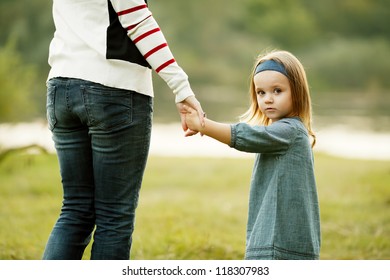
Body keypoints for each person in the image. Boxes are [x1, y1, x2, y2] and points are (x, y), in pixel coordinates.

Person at [43, 0, 204, 260]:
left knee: (75, 210)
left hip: (61, 86)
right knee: (114, 217)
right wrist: (181, 87)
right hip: (113, 88)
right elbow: (137, 20)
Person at [183, 50, 321, 260]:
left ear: (298, 91)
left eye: (277, 90)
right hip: (272, 240)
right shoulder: (282, 132)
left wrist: (203, 125)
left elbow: (246, 137)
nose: (268, 99)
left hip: (281, 245)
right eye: (261, 92)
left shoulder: (289, 131)